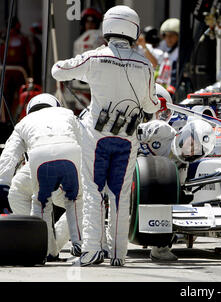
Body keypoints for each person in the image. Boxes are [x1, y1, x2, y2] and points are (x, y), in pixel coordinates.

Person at [52, 5, 162, 267]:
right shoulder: (145, 65)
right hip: (127, 137)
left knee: (92, 191)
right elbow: (150, 106)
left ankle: (91, 252)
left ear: (107, 26)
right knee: (120, 195)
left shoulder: (94, 57)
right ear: (133, 28)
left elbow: (58, 71)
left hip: (96, 135)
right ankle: (118, 254)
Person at [0, 93, 83, 261]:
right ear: (56, 105)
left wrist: (2, 183)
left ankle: (45, 248)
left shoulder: (23, 123)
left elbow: (9, 155)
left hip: (38, 159)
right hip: (70, 155)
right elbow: (86, 141)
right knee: (77, 200)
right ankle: (80, 245)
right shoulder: (67, 114)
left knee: (37, 201)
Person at [156, 18, 180, 92]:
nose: (168, 38)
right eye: (166, 35)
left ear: (178, 36)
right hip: (164, 90)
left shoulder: (179, 53)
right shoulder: (166, 52)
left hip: (174, 91)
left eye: (172, 35)